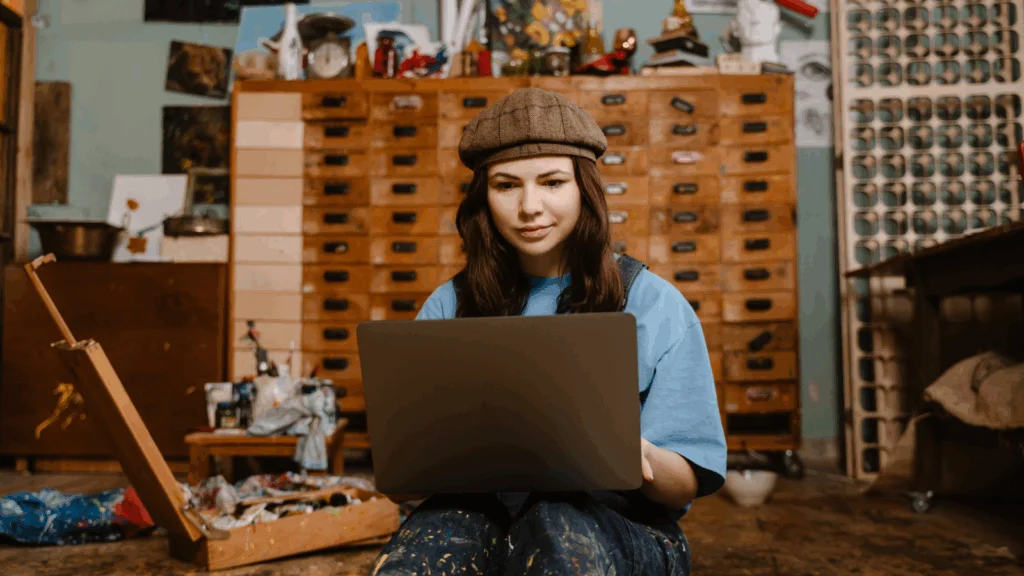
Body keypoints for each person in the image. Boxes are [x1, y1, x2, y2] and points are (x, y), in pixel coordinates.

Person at [370, 88, 727, 576]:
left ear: (585, 189)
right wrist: (412, 461)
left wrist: (632, 452)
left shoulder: (654, 303)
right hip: (483, 516)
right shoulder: (449, 305)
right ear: (483, 198)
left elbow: (683, 485)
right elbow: (404, 488)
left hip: (620, 523)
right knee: (417, 560)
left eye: (553, 182)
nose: (529, 207)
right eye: (506, 185)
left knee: (554, 528)